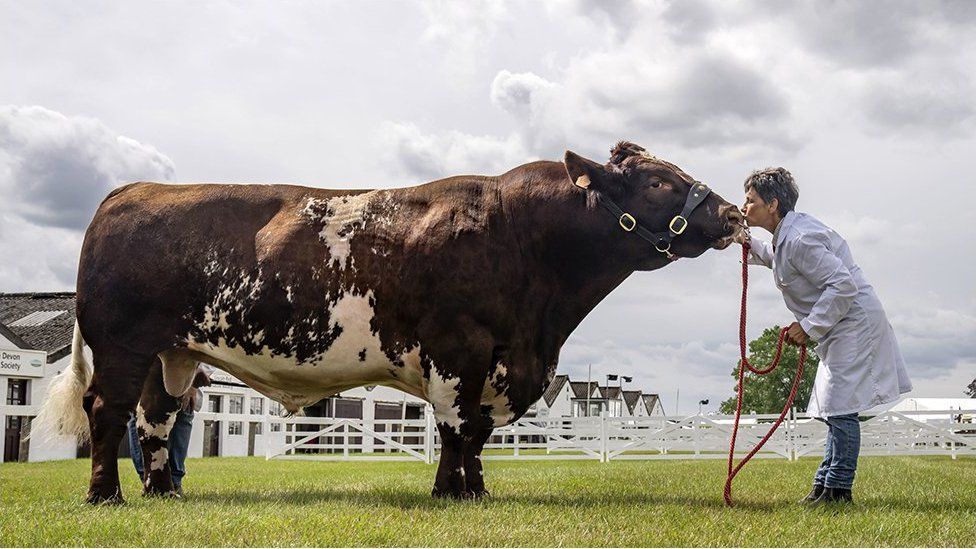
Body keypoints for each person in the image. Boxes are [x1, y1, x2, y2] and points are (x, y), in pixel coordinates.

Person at [740, 167, 912, 506]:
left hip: (852, 322)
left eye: (750, 201)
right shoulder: (789, 236)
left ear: (772, 204)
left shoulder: (801, 238)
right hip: (839, 323)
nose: (744, 207)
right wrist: (745, 241)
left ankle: (838, 490)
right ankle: (824, 486)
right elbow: (780, 260)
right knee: (834, 407)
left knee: (841, 407)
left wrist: (807, 326)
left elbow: (842, 284)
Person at [127, 365, 212, 496]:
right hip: (142, 374)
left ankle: (175, 481)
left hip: (182, 375)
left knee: (183, 414)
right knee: (140, 418)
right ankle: (149, 478)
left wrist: (192, 382)